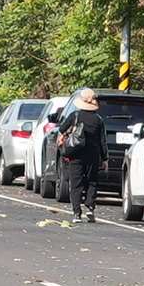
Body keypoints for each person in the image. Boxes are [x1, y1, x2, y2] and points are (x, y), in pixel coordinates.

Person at [53, 89, 106, 223]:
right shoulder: (98, 120)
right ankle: (90, 207)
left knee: (76, 184)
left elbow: (61, 129)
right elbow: (102, 141)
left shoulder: (75, 115)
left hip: (75, 155)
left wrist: (65, 135)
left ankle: (77, 213)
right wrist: (104, 159)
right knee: (92, 181)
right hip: (93, 155)